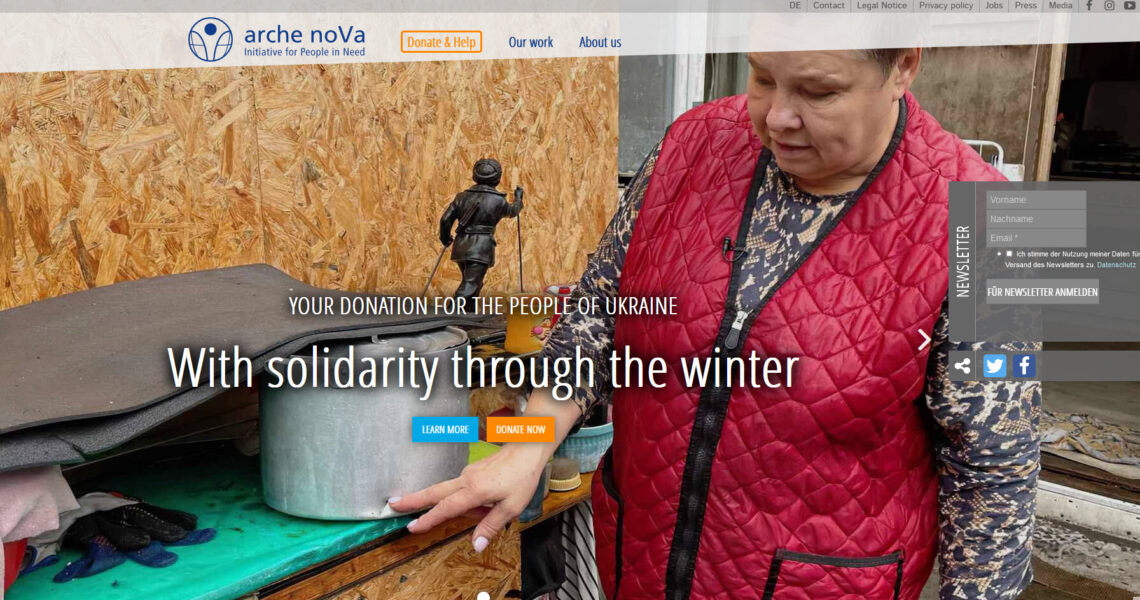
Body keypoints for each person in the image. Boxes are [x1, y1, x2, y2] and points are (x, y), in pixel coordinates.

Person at [393, 49, 1041, 600]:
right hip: (639, 566)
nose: (777, 116)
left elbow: (994, 475)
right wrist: (528, 444)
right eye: (763, 77)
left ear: (903, 66)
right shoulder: (691, 143)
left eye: (819, 91)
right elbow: (600, 309)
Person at [438, 158, 524, 300]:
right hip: (480, 248)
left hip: (461, 246)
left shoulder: (461, 197)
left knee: (473, 283)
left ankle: (468, 312)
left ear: (475, 176)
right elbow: (513, 210)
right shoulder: (498, 200)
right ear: (497, 178)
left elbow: (445, 220)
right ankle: (452, 310)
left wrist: (445, 238)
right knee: (470, 284)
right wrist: (519, 198)